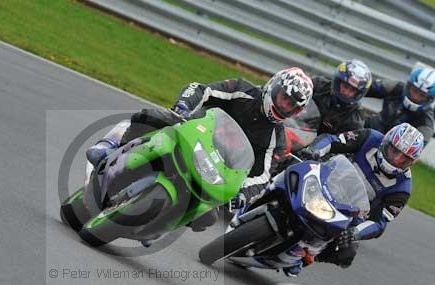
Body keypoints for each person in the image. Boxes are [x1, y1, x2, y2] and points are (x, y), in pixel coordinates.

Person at [86, 68, 314, 230]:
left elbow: (263, 175)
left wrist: (242, 195)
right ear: (274, 87)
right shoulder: (242, 89)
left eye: (292, 105)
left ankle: (158, 226)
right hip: (190, 132)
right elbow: (201, 89)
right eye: (285, 98)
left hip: (216, 171)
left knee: (207, 218)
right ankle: (110, 146)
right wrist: (184, 107)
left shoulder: (278, 139)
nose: (284, 106)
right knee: (149, 116)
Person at [296, 122, 424, 274]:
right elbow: (333, 140)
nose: (395, 159)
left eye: (403, 158)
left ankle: (307, 257)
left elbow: (379, 222)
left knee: (346, 253)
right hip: (325, 180)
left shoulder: (402, 188)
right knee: (294, 162)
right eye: (393, 151)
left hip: (350, 210)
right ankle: (267, 189)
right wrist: (314, 150)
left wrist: (355, 232)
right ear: (386, 142)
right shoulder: (370, 137)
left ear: (411, 162)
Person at [365, 66, 435, 143]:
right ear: (408, 86)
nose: (415, 97)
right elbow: (365, 89)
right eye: (414, 91)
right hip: (370, 128)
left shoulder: (426, 123)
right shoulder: (396, 87)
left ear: (429, 99)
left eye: (422, 95)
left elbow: (413, 151)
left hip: (391, 147)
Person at [310, 59, 372, 135]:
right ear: (338, 81)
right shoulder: (318, 85)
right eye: (345, 86)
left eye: (352, 90)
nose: (347, 92)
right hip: (298, 129)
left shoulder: (355, 119)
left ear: (358, 93)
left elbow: (343, 145)